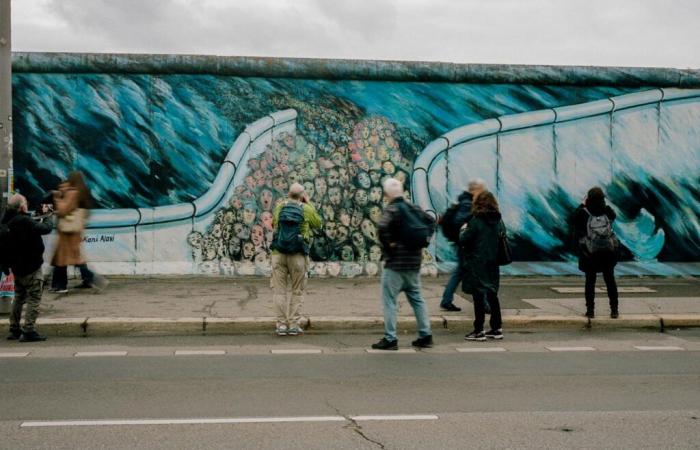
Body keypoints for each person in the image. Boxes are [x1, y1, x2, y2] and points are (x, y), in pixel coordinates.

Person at [372, 178, 434, 350]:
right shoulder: (413, 208)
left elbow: (382, 228)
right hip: (414, 263)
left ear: (386, 194)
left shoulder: (392, 210)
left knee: (389, 301)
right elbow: (431, 221)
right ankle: (425, 335)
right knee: (417, 299)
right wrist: (425, 241)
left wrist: (390, 245)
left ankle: (390, 339)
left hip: (395, 266)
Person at [270, 182, 322, 336]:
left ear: (288, 194)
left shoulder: (280, 207)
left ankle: (281, 325)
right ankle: (293, 324)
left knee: (279, 291)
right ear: (302, 195)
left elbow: (274, 225)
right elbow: (318, 224)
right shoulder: (305, 208)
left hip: (278, 253)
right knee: (297, 290)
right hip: (298, 255)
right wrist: (309, 203)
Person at [1, 194, 53, 342]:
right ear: (21, 206)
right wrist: (48, 214)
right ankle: (28, 330)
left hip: (17, 268)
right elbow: (45, 228)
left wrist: (5, 265)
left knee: (18, 298)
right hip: (31, 267)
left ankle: (14, 329)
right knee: (34, 298)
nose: (27, 203)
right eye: (25, 202)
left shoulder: (6, 221)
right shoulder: (23, 220)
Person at [460, 191, 506, 341]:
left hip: (478, 263)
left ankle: (479, 330)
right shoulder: (499, 221)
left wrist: (463, 229)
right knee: (493, 295)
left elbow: (464, 239)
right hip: (493, 263)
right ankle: (496, 328)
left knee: (478, 296)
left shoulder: (476, 221)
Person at [50, 171, 104, 293]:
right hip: (75, 230)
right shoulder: (83, 192)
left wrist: (57, 198)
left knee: (66, 259)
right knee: (69, 258)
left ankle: (91, 279)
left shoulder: (73, 193)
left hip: (67, 232)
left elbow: (64, 210)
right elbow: (84, 213)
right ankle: (61, 284)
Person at [439, 178, 486, 312]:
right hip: (466, 245)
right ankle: (484, 304)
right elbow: (460, 221)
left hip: (464, 244)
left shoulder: (466, 201)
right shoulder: (467, 203)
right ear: (475, 190)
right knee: (478, 273)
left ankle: (446, 300)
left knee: (461, 272)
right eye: (481, 189)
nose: (483, 192)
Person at [572, 187, 619, 319]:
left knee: (590, 281)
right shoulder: (607, 211)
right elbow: (614, 217)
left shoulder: (584, 212)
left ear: (589, 198)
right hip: (608, 252)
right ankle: (614, 310)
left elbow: (572, 219)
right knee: (610, 280)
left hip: (590, 253)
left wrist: (582, 204)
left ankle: (590, 310)